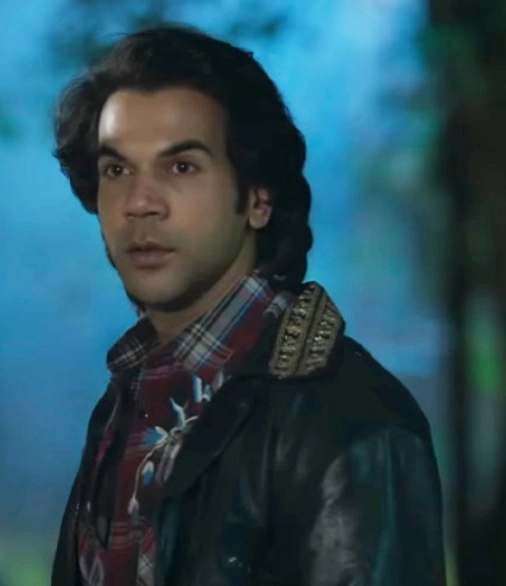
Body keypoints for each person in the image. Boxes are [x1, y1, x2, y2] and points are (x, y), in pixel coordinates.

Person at [49, 24, 445, 585]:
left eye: (181, 167)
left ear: (259, 199)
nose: (139, 202)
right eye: (117, 169)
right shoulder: (123, 405)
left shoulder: (351, 419)